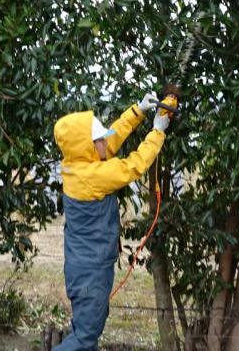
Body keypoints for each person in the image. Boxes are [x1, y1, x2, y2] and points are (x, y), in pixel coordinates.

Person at [53, 94, 170, 351]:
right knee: (84, 338)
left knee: (88, 334)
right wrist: (157, 132)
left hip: (87, 267)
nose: (105, 142)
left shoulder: (78, 163)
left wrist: (137, 111)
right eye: (98, 140)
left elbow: (111, 139)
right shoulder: (93, 175)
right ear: (87, 146)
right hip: (90, 273)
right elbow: (134, 166)